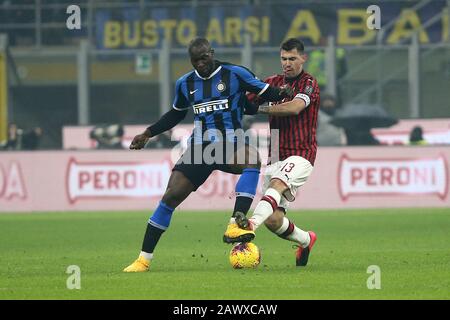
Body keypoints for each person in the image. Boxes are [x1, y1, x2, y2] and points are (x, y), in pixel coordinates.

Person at [123, 37, 293, 272]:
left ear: (211, 53)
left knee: (251, 159)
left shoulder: (235, 74)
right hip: (200, 149)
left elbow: (264, 92)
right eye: (196, 61)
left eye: (204, 58)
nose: (201, 64)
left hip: (230, 144)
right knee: (170, 198)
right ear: (191, 61)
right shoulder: (185, 83)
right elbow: (175, 115)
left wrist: (283, 92)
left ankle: (236, 223)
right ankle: (143, 260)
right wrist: (148, 133)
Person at [224, 38, 320, 267]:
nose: (287, 63)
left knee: (277, 184)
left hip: (302, 154)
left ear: (302, 58)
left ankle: (249, 226)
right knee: (275, 220)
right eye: (284, 59)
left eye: (292, 59)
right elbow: (243, 102)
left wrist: (259, 108)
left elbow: (295, 107)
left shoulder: (309, 83)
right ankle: (306, 240)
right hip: (276, 155)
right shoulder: (272, 83)